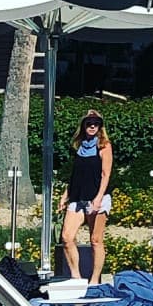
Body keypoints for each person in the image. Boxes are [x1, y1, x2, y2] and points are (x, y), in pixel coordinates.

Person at [59, 108, 114, 284]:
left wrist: (98, 198)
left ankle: (94, 279)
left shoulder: (104, 146)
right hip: (78, 196)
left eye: (95, 123)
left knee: (95, 239)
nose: (92, 126)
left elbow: (106, 174)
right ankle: (76, 276)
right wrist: (65, 194)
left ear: (100, 126)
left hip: (97, 196)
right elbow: (76, 174)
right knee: (67, 237)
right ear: (83, 125)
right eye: (89, 123)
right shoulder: (80, 145)